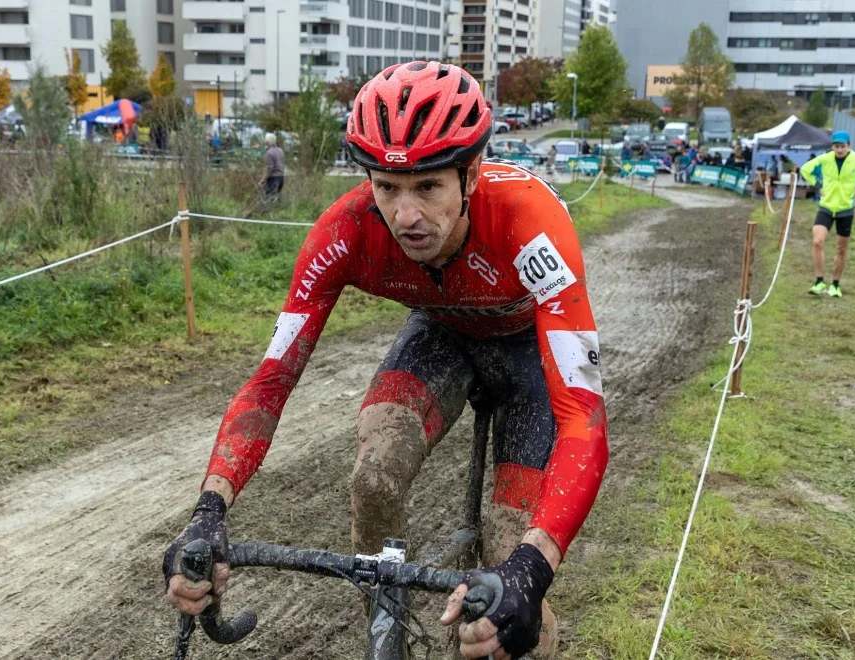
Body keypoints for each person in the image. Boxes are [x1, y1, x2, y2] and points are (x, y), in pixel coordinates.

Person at [163, 61, 607, 660]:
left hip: (528, 352)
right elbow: (270, 382)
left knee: (508, 564)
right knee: (373, 477)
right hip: (441, 334)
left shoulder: (531, 225)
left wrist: (534, 566)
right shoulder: (344, 232)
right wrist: (208, 512)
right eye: (386, 186)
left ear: (471, 174)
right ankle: (386, 641)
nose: (404, 216)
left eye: (428, 187)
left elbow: (583, 416)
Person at [799, 130, 855, 297]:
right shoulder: (825, 159)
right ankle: (819, 281)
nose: (839, 150)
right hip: (826, 207)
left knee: (841, 248)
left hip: (846, 209)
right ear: (832, 146)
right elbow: (805, 170)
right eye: (836, 146)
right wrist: (817, 186)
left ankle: (836, 285)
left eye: (842, 146)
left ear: (849, 146)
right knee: (817, 241)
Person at [260, 132, 285, 201]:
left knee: (269, 199)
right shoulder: (280, 150)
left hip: (273, 179)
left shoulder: (268, 153)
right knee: (277, 199)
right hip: (281, 178)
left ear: (267, 143)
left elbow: (270, 169)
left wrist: (262, 180)